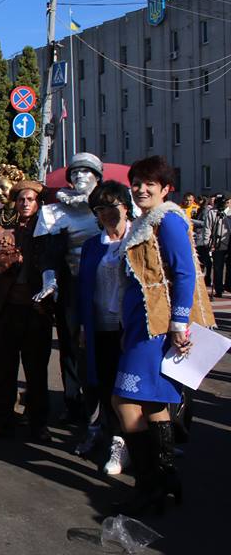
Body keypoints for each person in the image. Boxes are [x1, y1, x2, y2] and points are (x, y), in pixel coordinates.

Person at [113, 156, 214, 514]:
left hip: (156, 328)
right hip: (142, 324)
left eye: (149, 184)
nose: (141, 189)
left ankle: (148, 484)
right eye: (136, 182)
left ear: (165, 188)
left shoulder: (167, 220)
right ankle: (164, 478)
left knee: (124, 402)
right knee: (154, 402)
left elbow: (185, 273)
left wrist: (178, 325)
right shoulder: (145, 221)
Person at [0, 181, 52, 441]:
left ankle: (39, 424)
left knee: (36, 373)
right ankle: (1, 422)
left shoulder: (48, 233)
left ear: (38, 204)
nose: (26, 203)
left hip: (37, 313)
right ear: (15, 204)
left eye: (31, 199)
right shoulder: (2, 232)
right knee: (4, 371)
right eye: (21, 199)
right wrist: (1, 262)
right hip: (6, 312)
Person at [34, 152, 104, 428]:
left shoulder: (110, 205)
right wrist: (49, 281)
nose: (79, 177)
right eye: (74, 173)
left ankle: (104, 406)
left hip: (106, 286)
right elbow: (47, 254)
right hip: (72, 287)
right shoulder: (54, 212)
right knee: (71, 348)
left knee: (105, 347)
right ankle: (73, 403)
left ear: (97, 177)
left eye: (86, 172)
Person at [78, 181, 134, 475]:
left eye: (113, 206)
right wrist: (84, 328)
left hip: (130, 329)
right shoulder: (92, 245)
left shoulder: (137, 241)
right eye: (100, 209)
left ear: (126, 206)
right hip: (99, 326)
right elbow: (85, 289)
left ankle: (130, 441)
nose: (107, 213)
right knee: (104, 386)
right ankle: (114, 437)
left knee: (129, 391)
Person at [204, 195, 230, 296]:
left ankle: (228, 286)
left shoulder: (229, 213)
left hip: (229, 243)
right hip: (217, 244)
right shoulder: (213, 213)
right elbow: (207, 228)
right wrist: (207, 242)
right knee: (218, 267)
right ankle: (218, 289)